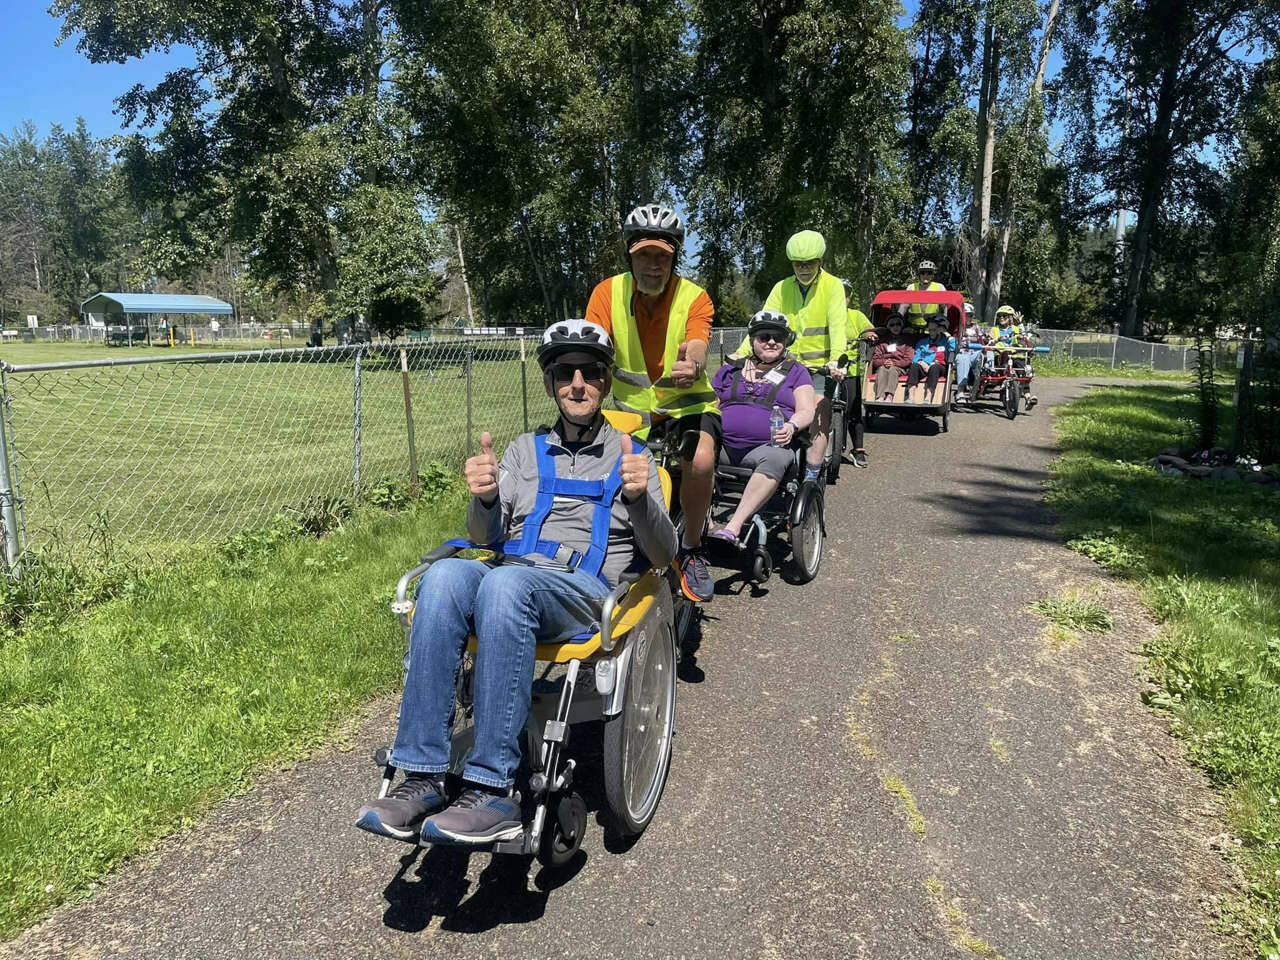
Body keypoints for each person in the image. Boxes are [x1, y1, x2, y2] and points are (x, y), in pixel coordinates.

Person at [355, 319, 677, 846]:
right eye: (565, 373)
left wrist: (640, 499)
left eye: (591, 372)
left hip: (583, 590)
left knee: (505, 589)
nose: (578, 383)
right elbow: (486, 536)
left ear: (604, 381)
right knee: (441, 578)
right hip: (513, 573)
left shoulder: (632, 455)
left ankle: (493, 789)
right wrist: (483, 500)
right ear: (551, 383)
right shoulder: (522, 452)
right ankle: (421, 776)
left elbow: (663, 554)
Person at [585, 203, 720, 604]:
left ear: (674, 257)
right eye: (644, 255)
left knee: (700, 461)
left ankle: (693, 548)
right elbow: (593, 348)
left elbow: (697, 341)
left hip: (688, 404)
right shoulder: (606, 294)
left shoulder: (695, 297)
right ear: (630, 255)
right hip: (629, 414)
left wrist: (692, 364)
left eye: (662, 256)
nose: (653, 265)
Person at [734, 229, 845, 484]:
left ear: (820, 262)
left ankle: (811, 478)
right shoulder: (781, 287)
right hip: (786, 365)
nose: (804, 269)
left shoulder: (833, 286)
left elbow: (837, 326)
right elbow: (761, 323)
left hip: (820, 368)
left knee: (818, 414)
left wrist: (837, 358)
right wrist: (740, 355)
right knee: (764, 402)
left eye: (809, 263)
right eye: (798, 264)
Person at [707, 310, 816, 545]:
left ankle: (733, 528)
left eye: (778, 337)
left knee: (776, 457)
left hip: (766, 447)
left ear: (786, 342)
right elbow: (710, 405)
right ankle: (704, 522)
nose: (771, 342)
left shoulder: (796, 371)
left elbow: (807, 409)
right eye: (764, 337)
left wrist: (792, 425)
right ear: (753, 340)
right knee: (695, 448)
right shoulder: (730, 369)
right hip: (723, 446)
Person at [842, 279, 875, 468]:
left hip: (851, 371)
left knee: (854, 412)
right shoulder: (824, 316)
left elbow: (867, 328)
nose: (842, 298)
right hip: (826, 369)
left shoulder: (855, 315)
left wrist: (869, 335)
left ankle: (858, 449)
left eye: (846, 295)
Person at [907, 315, 956, 404]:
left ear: (940, 330)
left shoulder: (946, 341)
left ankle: (928, 398)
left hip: (939, 366)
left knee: (935, 367)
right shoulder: (922, 342)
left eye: (934, 330)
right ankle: (910, 397)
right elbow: (916, 356)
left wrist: (948, 336)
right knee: (914, 366)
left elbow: (952, 350)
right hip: (924, 365)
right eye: (930, 330)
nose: (931, 333)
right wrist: (921, 362)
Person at [869, 313, 916, 401]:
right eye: (892, 325)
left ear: (902, 326)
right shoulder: (882, 341)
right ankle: (881, 396)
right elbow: (875, 359)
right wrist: (884, 362)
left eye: (898, 324)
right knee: (882, 369)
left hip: (900, 367)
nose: (895, 327)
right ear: (888, 327)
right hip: (884, 365)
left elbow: (908, 359)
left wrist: (894, 363)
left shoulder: (907, 340)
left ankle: (890, 395)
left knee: (892, 370)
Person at [953, 301, 986, 403]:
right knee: (964, 358)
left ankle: (984, 377)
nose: (969, 317)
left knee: (986, 354)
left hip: (975, 353)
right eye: (967, 315)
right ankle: (961, 390)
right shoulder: (957, 328)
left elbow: (982, 339)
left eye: (970, 315)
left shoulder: (976, 327)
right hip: (962, 353)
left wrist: (989, 340)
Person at [906, 260, 946, 329]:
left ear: (933, 275)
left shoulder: (940, 287)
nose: (925, 276)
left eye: (929, 273)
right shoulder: (911, 287)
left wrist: (944, 325)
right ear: (919, 274)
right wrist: (898, 321)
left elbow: (945, 307)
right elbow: (903, 307)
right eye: (923, 273)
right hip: (913, 329)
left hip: (933, 330)